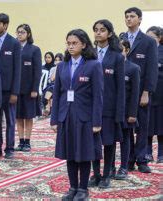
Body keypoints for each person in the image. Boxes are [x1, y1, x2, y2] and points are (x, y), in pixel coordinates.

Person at [51, 29, 103, 200]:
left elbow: (98, 95)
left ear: (84, 44)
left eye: (74, 43)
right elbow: (57, 94)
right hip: (66, 115)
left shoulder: (94, 65)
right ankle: (72, 187)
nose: (71, 46)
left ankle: (83, 189)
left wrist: (96, 121)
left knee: (84, 153)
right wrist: (54, 119)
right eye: (68, 43)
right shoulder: (62, 66)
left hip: (85, 117)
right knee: (70, 152)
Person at [89, 19, 125, 188]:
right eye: (96, 29)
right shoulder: (88, 54)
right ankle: (95, 174)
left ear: (109, 33)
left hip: (109, 107)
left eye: (102, 30)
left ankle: (106, 175)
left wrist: (119, 112)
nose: (98, 32)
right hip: (91, 107)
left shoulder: (117, 56)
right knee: (93, 142)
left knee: (108, 142)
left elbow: (120, 88)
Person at [124, 7, 158, 173]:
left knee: (142, 127)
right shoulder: (120, 39)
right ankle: (129, 159)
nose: (129, 19)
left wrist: (146, 91)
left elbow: (152, 69)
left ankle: (141, 158)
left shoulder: (148, 41)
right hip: (124, 91)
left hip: (141, 91)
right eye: (127, 17)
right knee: (127, 126)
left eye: (132, 16)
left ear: (140, 19)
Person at [0, 13, 21, 159]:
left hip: (9, 90)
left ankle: (10, 148)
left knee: (10, 120)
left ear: (5, 25)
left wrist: (15, 92)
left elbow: (17, 69)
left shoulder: (14, 43)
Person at [114, 39, 140, 179]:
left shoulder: (133, 68)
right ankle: (110, 166)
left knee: (125, 139)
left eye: (121, 49)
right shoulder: (111, 66)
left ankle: (124, 166)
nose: (119, 52)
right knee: (110, 141)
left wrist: (132, 113)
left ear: (127, 50)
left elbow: (135, 93)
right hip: (112, 111)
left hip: (126, 111)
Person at [15, 24, 42, 152]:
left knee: (28, 116)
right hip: (16, 88)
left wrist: (35, 89)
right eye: (18, 32)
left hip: (29, 88)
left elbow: (37, 71)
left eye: (22, 32)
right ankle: (20, 141)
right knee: (18, 116)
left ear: (28, 34)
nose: (20, 34)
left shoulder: (34, 49)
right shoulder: (14, 48)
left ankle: (27, 141)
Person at [146, 26, 163, 163]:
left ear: (159, 38)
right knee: (148, 124)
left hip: (161, 93)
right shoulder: (144, 50)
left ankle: (161, 153)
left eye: (152, 38)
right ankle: (147, 152)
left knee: (161, 124)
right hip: (147, 92)